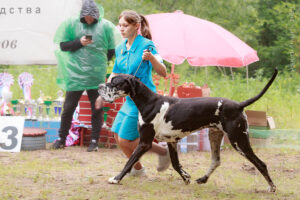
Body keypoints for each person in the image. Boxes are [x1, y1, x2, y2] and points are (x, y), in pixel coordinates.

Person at [97, 10, 171, 176]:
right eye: (120, 25)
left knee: (126, 140)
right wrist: (105, 92)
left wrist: (151, 58)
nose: (121, 29)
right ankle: (140, 167)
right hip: (129, 100)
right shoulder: (120, 48)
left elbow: (164, 72)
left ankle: (158, 155)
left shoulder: (147, 45)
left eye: (125, 25)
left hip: (145, 100)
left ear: (136, 26)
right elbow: (115, 73)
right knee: (117, 135)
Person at [52, 0, 120, 152]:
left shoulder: (106, 26)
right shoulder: (71, 24)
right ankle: (61, 139)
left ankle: (94, 141)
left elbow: (111, 49)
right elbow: (63, 45)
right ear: (82, 15)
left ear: (97, 16)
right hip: (75, 74)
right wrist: (79, 43)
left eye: (92, 17)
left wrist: (100, 63)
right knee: (68, 108)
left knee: (96, 107)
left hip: (95, 74)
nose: (89, 20)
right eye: (86, 17)